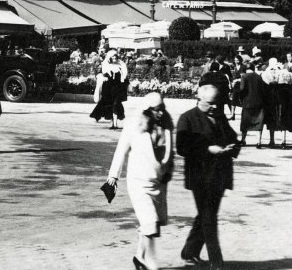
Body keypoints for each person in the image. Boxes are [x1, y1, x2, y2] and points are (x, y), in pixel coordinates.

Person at [108, 92, 175, 270]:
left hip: (159, 182)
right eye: (156, 110)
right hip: (138, 182)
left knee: (152, 224)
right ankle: (152, 264)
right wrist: (113, 178)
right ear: (147, 110)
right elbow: (120, 151)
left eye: (162, 109)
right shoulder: (133, 125)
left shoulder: (167, 124)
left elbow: (170, 153)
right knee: (150, 222)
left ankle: (140, 257)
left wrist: (169, 170)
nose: (160, 113)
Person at [176, 84, 239, 270]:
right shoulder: (187, 118)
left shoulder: (219, 116)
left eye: (217, 103)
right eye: (210, 104)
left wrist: (233, 146)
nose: (215, 107)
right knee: (209, 217)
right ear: (199, 99)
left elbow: (231, 136)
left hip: (220, 174)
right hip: (200, 176)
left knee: (206, 215)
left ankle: (189, 252)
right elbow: (182, 147)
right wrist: (207, 149)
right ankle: (216, 261)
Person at [91, 49, 129, 129]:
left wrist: (123, 80)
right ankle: (112, 123)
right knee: (110, 105)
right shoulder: (105, 65)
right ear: (110, 57)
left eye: (115, 56)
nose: (115, 57)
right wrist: (103, 77)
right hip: (108, 88)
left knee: (116, 104)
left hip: (117, 88)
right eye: (113, 56)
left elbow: (125, 76)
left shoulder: (121, 64)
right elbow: (100, 74)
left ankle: (115, 124)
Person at [260, 58, 292, 149]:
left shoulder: (265, 74)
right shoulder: (285, 73)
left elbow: (263, 89)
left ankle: (272, 140)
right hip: (282, 100)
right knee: (282, 118)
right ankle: (283, 141)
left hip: (271, 100)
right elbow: (289, 85)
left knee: (271, 119)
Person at [233, 63, 268, 148]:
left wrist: (237, 92)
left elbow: (241, 89)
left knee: (245, 122)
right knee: (259, 122)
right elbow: (263, 89)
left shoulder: (244, 76)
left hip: (247, 102)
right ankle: (259, 142)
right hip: (259, 103)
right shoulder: (259, 76)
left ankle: (243, 140)